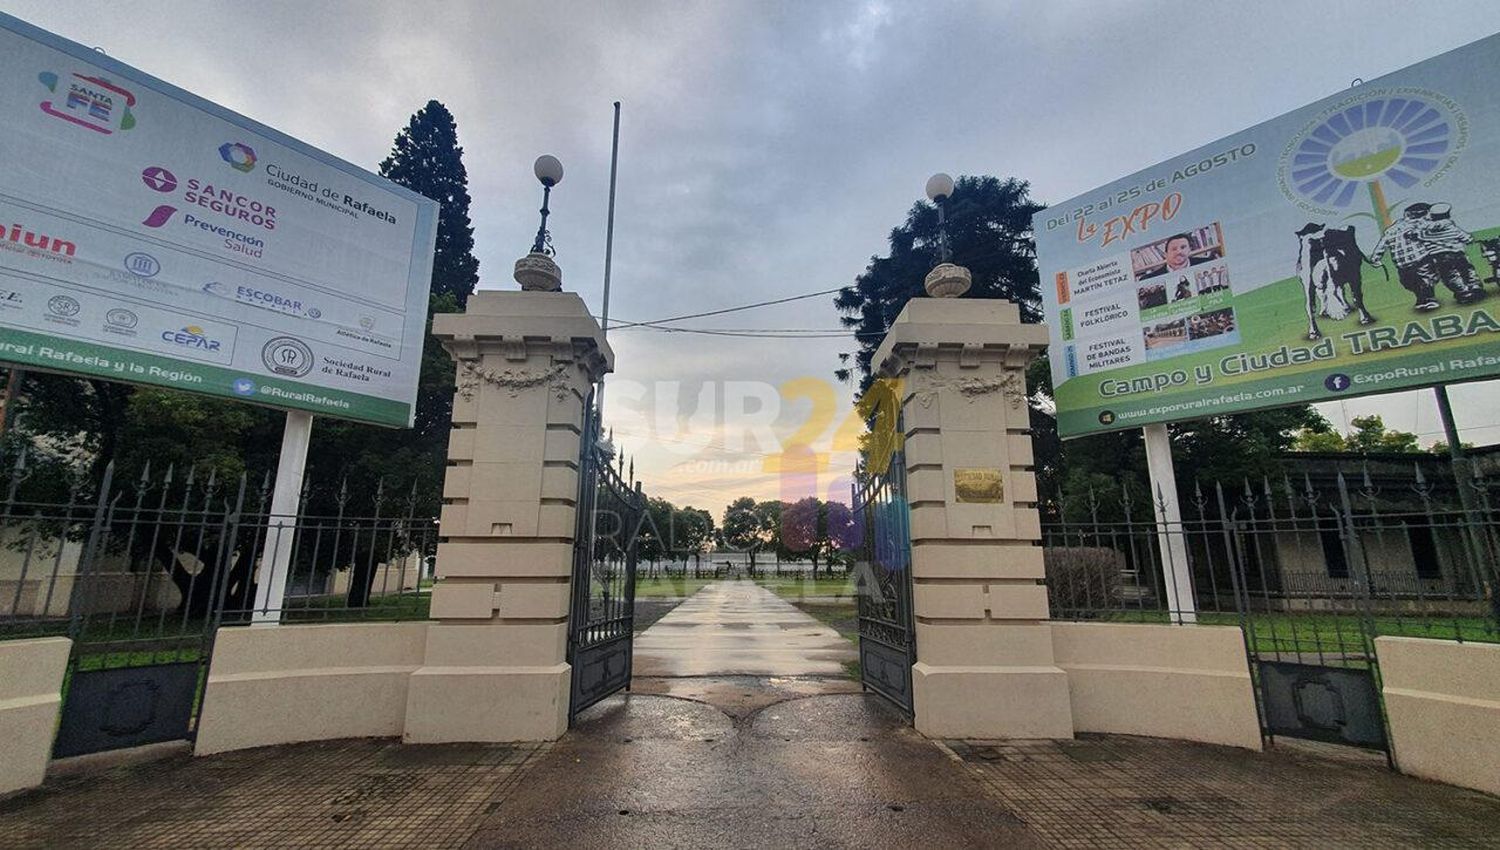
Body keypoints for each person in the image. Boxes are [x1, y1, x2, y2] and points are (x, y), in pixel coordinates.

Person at [1369, 203, 1439, 310]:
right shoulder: (1421, 224)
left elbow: (1382, 245)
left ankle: (1424, 299)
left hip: (1403, 264)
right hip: (1420, 259)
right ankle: (1427, 299)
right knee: (1425, 279)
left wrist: (1375, 258)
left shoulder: (1391, 229)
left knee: (1412, 282)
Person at [1415, 203, 1484, 304]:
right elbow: (1465, 237)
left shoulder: (1425, 231)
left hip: (1440, 256)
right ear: (1448, 214)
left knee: (1450, 275)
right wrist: (1469, 239)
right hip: (1458, 253)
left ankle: (1463, 292)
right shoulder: (1451, 226)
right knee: (1467, 269)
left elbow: (1419, 237)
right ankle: (1475, 286)